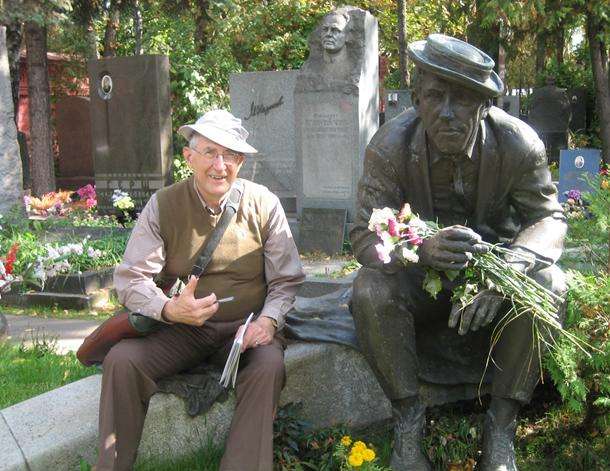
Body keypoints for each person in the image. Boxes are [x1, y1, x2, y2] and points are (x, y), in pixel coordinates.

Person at [350, 34, 566, 471]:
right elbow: (362, 236)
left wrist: (510, 267)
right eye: (435, 96)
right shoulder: (389, 147)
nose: (448, 113)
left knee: (550, 283)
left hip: (496, 285)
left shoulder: (518, 144)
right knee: (369, 288)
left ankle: (501, 426)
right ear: (416, 98)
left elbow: (550, 220)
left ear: (484, 106)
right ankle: (409, 423)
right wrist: (418, 248)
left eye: (464, 100)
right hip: (421, 285)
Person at [95, 109, 305, 471]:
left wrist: (268, 324)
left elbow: (286, 280)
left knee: (269, 366)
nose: (219, 165)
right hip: (183, 330)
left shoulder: (264, 204)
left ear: (241, 161)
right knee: (122, 361)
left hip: (244, 330)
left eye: (230, 155)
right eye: (209, 152)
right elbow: (131, 280)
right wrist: (168, 309)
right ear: (189, 156)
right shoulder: (164, 205)